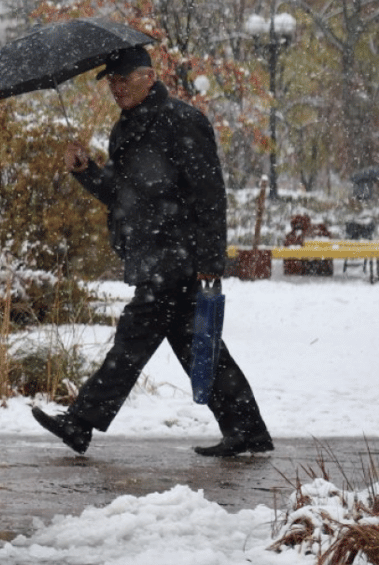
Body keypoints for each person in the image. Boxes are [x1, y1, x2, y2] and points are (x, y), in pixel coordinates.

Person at [31, 45, 273, 457]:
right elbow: (120, 195)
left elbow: (210, 195)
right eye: (112, 82)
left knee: (133, 339)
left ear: (149, 76)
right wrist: (85, 170)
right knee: (196, 343)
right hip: (150, 256)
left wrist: (211, 260)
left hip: (177, 257)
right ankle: (246, 428)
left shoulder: (182, 122)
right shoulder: (125, 128)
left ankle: (81, 422)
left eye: (123, 80)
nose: (116, 88)